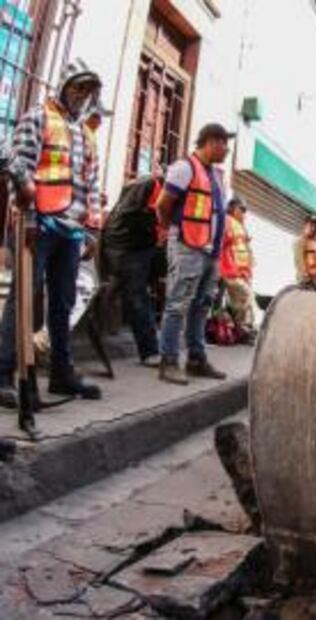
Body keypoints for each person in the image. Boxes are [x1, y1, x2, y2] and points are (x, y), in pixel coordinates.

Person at [0, 60, 105, 406]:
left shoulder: (87, 134)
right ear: (63, 86)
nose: (82, 95)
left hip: (72, 230)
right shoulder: (39, 116)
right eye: (77, 88)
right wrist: (26, 216)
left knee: (64, 302)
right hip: (39, 224)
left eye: (87, 90)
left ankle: (62, 374)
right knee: (24, 298)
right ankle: (4, 375)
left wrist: (90, 230)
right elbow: (17, 164)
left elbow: (91, 185)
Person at [154, 123, 233, 385]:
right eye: (223, 143)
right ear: (210, 141)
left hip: (210, 250)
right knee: (178, 303)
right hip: (188, 244)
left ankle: (196, 359)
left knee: (202, 305)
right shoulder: (184, 168)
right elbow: (163, 204)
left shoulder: (216, 174)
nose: (227, 149)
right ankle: (168, 361)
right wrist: (169, 230)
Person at [101, 170, 164, 367]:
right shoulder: (155, 187)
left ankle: (110, 296)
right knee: (138, 296)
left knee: (136, 290)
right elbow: (150, 218)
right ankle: (149, 351)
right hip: (126, 246)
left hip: (121, 245)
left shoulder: (142, 184)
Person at [219, 197, 255, 342]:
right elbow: (223, 245)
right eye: (242, 209)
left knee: (243, 301)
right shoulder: (227, 221)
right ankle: (242, 330)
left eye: (245, 210)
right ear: (232, 208)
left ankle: (241, 330)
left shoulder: (240, 225)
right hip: (230, 269)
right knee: (245, 296)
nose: (244, 213)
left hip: (241, 272)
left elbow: (244, 249)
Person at [294, 213, 316, 290]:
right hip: (306, 284)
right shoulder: (300, 242)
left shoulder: (314, 243)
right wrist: (307, 279)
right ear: (305, 226)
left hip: (315, 283)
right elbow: (299, 262)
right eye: (311, 226)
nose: (314, 229)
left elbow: (315, 263)